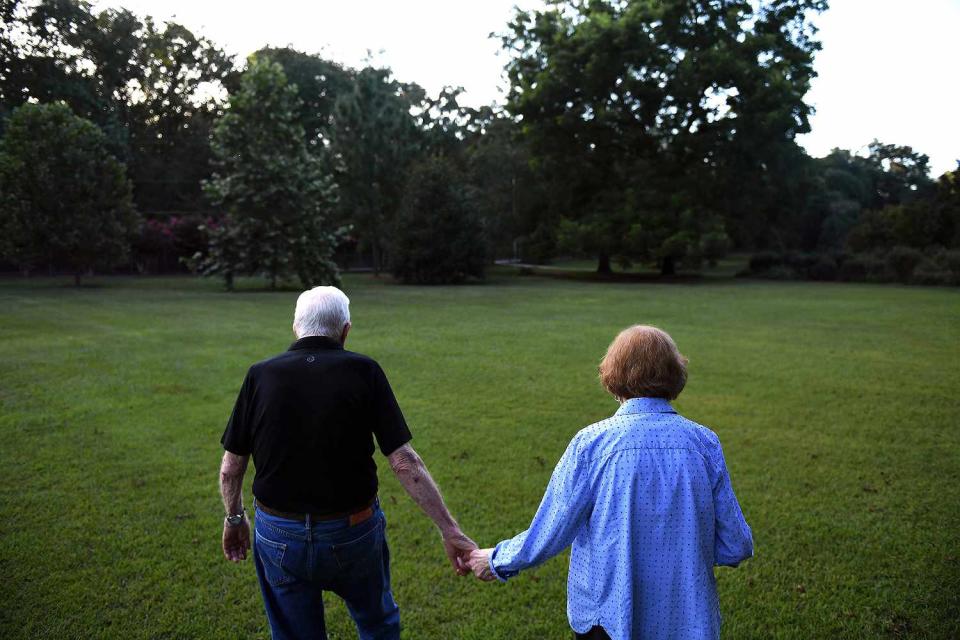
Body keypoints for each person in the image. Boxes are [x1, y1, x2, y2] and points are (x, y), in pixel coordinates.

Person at [217, 285, 476, 640]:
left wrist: (234, 518)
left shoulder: (259, 375)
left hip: (278, 535)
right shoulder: (364, 370)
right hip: (353, 533)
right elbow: (404, 462)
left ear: (296, 327)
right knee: (376, 625)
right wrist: (450, 530)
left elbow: (231, 468)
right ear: (345, 330)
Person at [467, 325, 753, 640]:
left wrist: (495, 561)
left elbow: (552, 529)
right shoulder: (704, 444)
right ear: (675, 375)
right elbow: (736, 544)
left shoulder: (591, 444)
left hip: (609, 621)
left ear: (613, 375)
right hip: (687, 622)